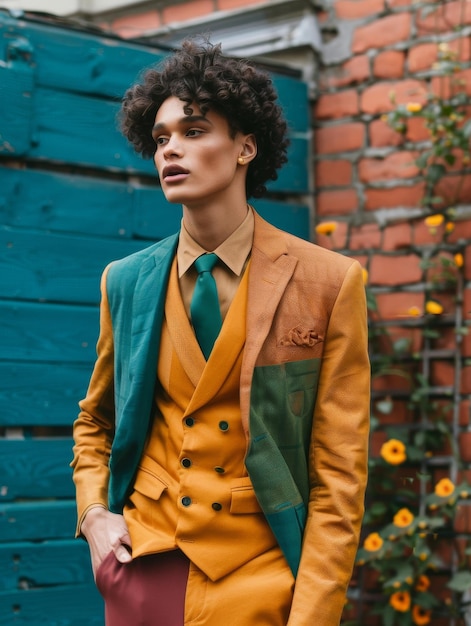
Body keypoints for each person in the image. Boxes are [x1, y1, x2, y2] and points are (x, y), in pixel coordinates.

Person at [71, 39, 370, 626]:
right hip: (143, 570)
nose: (171, 150)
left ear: (245, 147)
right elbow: (95, 421)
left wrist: (310, 614)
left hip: (261, 579)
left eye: (194, 130)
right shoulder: (125, 282)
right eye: (160, 139)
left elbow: (339, 474)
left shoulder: (329, 282)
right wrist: (94, 518)